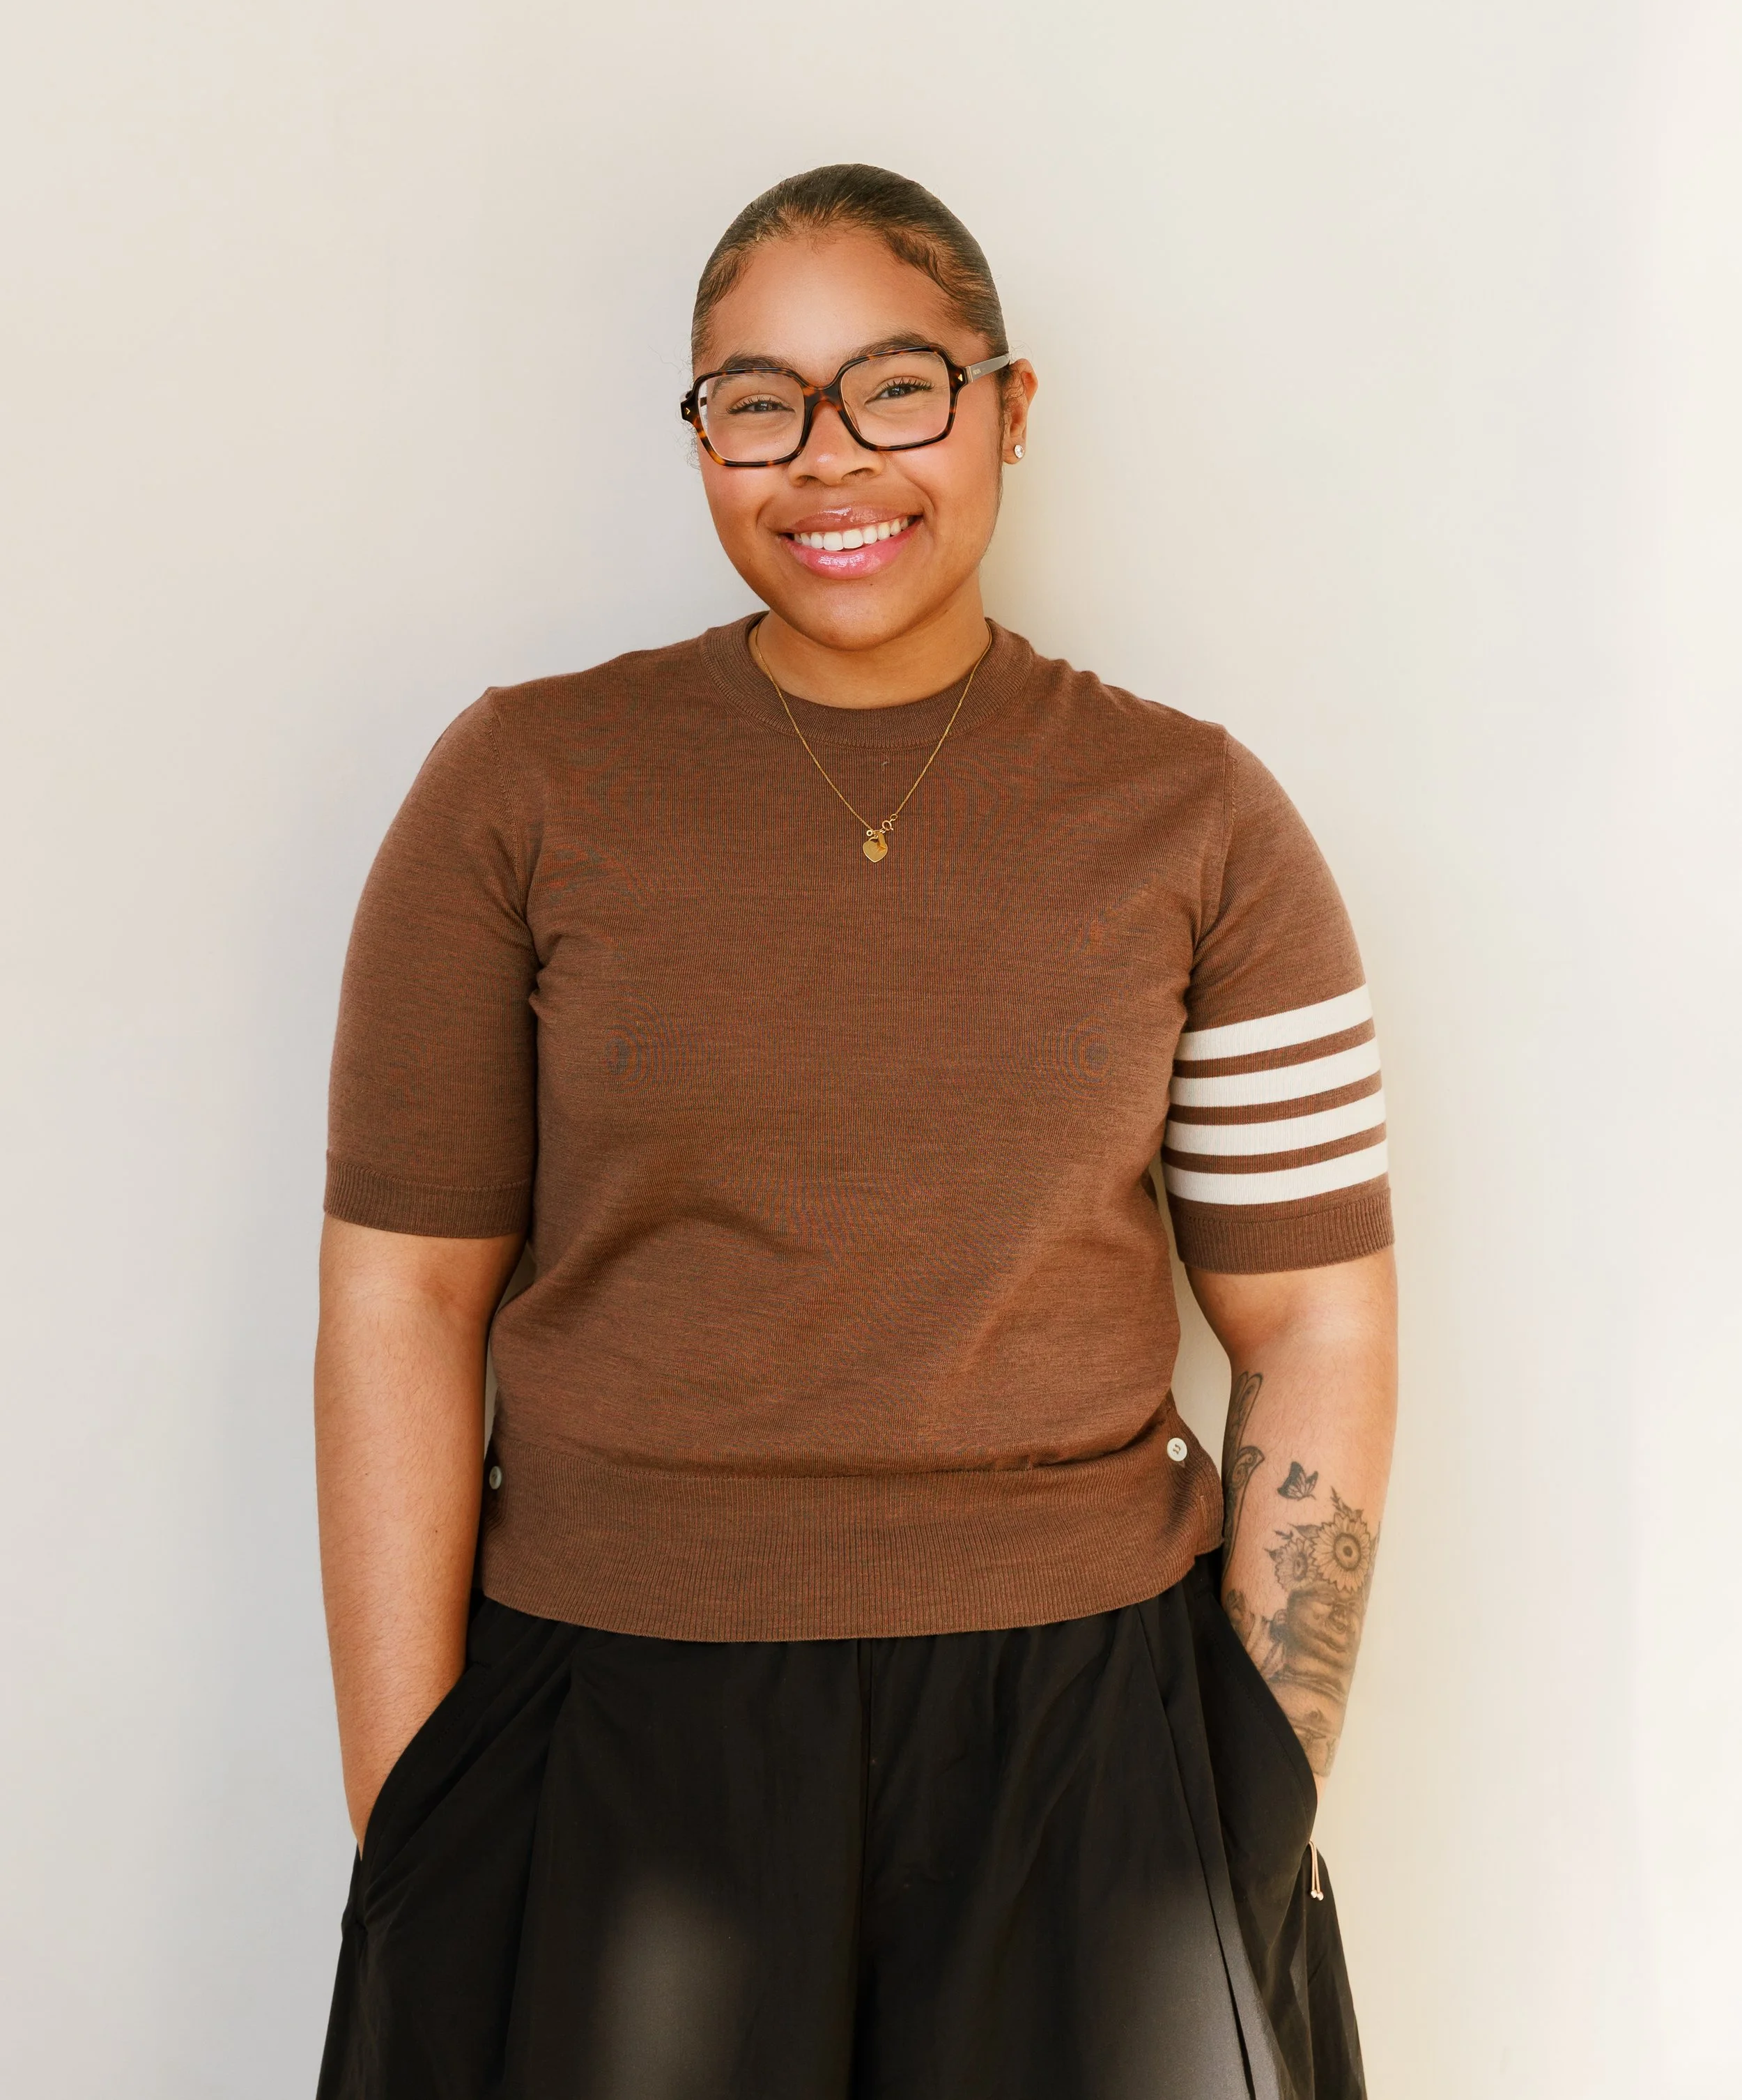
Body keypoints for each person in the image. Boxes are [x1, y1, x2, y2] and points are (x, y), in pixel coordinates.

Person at [313, 164, 1398, 2100]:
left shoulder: (1199, 816)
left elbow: (1315, 1315)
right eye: (758, 401)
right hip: (616, 1716)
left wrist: (1260, 1785)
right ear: (702, 438)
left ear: (1007, 408)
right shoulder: (518, 788)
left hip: (1089, 1735)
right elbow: (402, 1294)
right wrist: (415, 1812)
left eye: (897, 386)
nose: (830, 458)